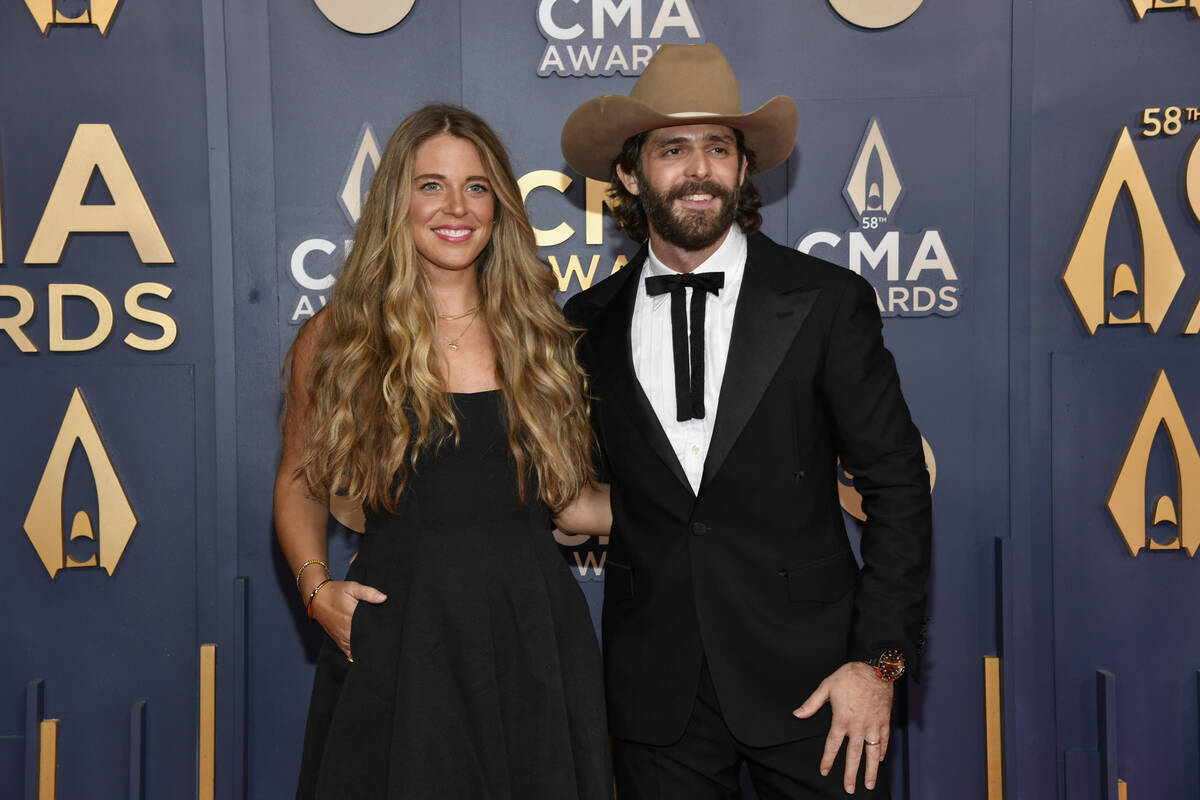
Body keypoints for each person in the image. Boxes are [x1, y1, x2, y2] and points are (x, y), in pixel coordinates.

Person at [561, 44, 932, 798]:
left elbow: (897, 486)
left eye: (718, 148)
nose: (699, 170)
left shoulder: (825, 303)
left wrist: (878, 665)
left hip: (822, 688)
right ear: (630, 175)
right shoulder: (584, 325)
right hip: (656, 699)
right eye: (673, 149)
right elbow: (573, 493)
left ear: (742, 167)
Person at [274, 104, 612, 800]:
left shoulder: (544, 335)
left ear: (501, 206)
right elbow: (300, 482)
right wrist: (316, 592)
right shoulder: (339, 338)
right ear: (396, 199)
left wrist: (712, 508)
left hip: (533, 638)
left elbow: (574, 503)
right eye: (431, 185)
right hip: (401, 640)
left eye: (477, 187)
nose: (456, 206)